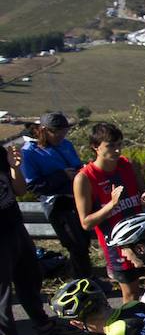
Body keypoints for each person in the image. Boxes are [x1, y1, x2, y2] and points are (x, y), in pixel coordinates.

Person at [73, 122, 145, 303]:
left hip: (144, 237)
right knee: (131, 295)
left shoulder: (127, 165)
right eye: (110, 146)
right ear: (95, 147)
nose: (117, 151)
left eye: (119, 145)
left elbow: (144, 194)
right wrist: (111, 205)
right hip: (118, 245)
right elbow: (86, 222)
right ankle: (131, 329)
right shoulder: (84, 178)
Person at [0, 140, 62, 335]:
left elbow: (19, 190)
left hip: (14, 226)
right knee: (3, 293)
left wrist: (15, 167)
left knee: (30, 277)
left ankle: (41, 323)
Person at [21, 112, 91, 278]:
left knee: (83, 242)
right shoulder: (29, 152)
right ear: (44, 130)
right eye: (56, 132)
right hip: (56, 205)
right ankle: (84, 281)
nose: (61, 135)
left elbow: (76, 166)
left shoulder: (65, 144)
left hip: (77, 198)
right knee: (76, 244)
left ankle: (82, 278)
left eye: (64, 131)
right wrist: (62, 175)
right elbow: (33, 185)